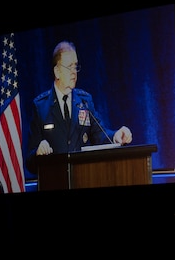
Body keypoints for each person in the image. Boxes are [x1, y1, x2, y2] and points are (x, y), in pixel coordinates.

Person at [25, 40, 133, 175]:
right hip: (54, 181)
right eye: (69, 67)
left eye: (75, 66)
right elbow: (29, 161)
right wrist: (38, 153)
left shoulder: (85, 101)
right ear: (57, 72)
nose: (74, 72)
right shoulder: (40, 106)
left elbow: (100, 134)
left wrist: (116, 136)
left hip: (85, 178)